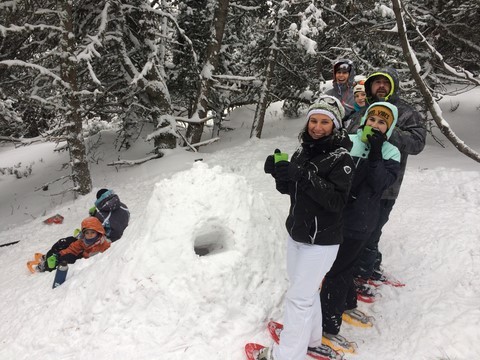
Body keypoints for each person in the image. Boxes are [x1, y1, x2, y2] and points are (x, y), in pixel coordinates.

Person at [261, 96, 355, 360]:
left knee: (298, 299)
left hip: (322, 242)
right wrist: (279, 174)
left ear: (335, 126)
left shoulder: (342, 158)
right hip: (298, 234)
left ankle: (286, 355)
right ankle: (311, 341)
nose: (317, 127)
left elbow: (336, 202)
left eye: (325, 122)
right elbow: (294, 190)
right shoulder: (303, 150)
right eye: (313, 120)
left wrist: (301, 174)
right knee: (307, 293)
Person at [320, 102, 401, 346]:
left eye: (382, 122)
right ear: (365, 119)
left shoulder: (391, 152)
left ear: (389, 127)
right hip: (337, 216)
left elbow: (380, 184)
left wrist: (375, 152)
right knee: (343, 267)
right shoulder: (348, 140)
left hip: (362, 221)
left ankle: (327, 325)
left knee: (340, 269)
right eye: (372, 119)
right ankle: (346, 303)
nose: (375, 125)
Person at [346, 67, 426, 284]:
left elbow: (417, 143)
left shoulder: (407, 112)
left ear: (393, 85)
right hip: (356, 183)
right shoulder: (365, 110)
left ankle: (362, 276)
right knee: (359, 230)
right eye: (376, 82)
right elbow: (349, 136)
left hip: (386, 185)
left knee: (372, 230)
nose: (380, 86)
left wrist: (388, 132)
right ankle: (367, 268)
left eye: (385, 82)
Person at [36, 216, 111, 272]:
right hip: (82, 255)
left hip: (85, 263)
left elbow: (107, 255)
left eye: (92, 232)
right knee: (64, 241)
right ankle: (51, 255)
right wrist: (59, 254)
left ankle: (47, 267)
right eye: (87, 233)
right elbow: (72, 248)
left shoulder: (103, 244)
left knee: (68, 257)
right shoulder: (83, 240)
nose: (90, 235)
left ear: (98, 232)